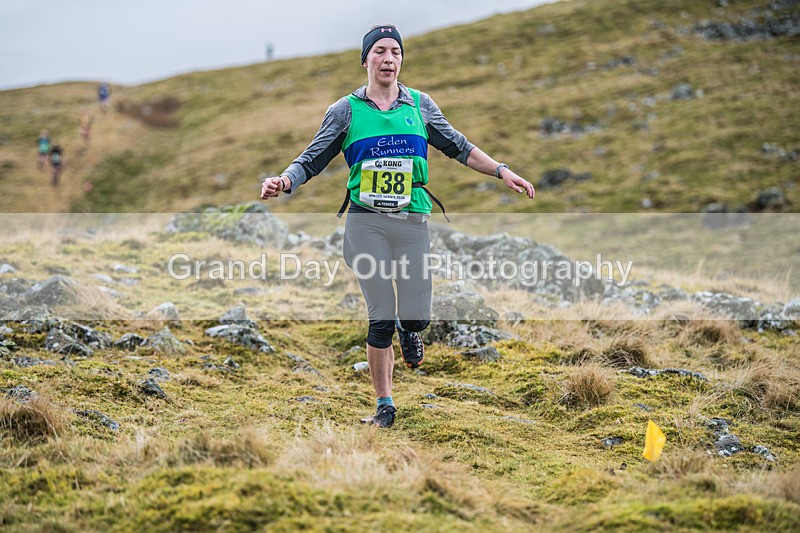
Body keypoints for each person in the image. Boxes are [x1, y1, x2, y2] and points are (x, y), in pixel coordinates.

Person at [260, 24, 535, 428]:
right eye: (380, 52)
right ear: (366, 59)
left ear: (401, 60)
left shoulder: (420, 105)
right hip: (365, 222)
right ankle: (385, 405)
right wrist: (284, 181)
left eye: (395, 53)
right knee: (380, 317)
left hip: (412, 219)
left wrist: (501, 171)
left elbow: (459, 146)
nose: (389, 59)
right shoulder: (345, 111)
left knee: (416, 314)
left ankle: (412, 329)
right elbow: (311, 158)